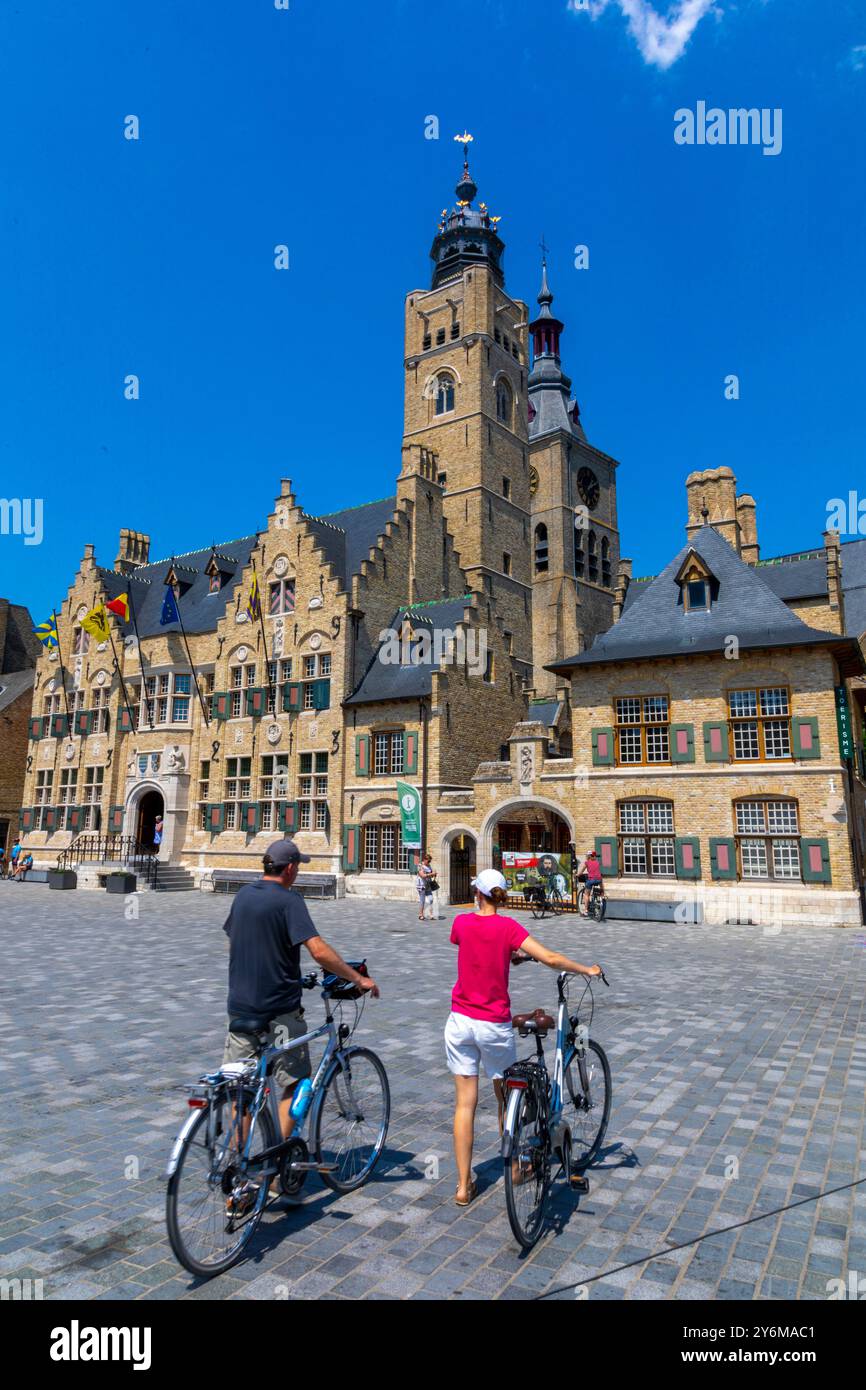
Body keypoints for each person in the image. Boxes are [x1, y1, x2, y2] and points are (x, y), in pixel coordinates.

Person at [444, 867, 601, 1208]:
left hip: (459, 1023)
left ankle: (461, 1185)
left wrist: (505, 955)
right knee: (504, 1100)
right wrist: (585, 968)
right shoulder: (508, 927)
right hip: (492, 1026)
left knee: (464, 1105)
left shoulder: (461, 923)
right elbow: (550, 958)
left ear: (477, 894)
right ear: (500, 896)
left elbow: (470, 945)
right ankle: (515, 1167)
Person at [222, 838, 380, 1144]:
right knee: (294, 1081)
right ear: (290, 868)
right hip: (279, 1014)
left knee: (241, 1091)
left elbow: (236, 941)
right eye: (298, 866)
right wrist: (357, 979)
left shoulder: (242, 896)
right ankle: (280, 1161)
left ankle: (236, 1171)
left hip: (240, 1009)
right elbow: (318, 951)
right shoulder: (288, 900)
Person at [416, 853, 434, 920]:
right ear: (425, 859)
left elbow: (430, 874)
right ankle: (421, 914)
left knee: (431, 899)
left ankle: (431, 914)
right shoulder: (420, 865)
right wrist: (431, 874)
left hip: (428, 885)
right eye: (428, 861)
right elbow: (422, 875)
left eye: (430, 861)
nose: (429, 862)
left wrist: (434, 874)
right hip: (421, 885)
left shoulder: (429, 866)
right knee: (422, 900)